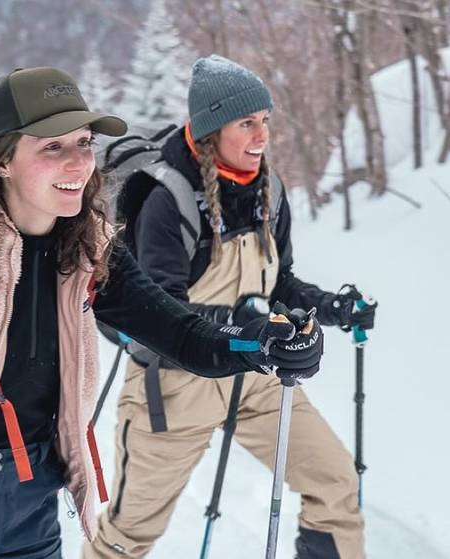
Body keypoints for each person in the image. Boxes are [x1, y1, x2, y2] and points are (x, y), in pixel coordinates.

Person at [0, 66, 325, 559]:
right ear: (1, 162)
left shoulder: (87, 248)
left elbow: (183, 336)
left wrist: (259, 345)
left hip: (31, 502)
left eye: (84, 143)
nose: (78, 164)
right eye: (52, 147)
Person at [85, 55, 376, 559]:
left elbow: (279, 283)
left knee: (335, 486)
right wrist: (246, 320)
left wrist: (331, 307)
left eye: (265, 121)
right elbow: (160, 311)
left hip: (259, 374)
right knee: (127, 535)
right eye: (246, 123)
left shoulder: (269, 189)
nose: (261, 135)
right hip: (175, 388)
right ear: (211, 130)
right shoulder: (166, 198)